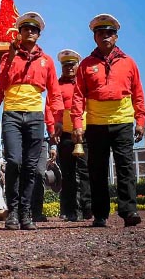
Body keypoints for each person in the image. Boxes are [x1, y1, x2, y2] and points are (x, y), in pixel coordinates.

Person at [71, 14, 145, 228]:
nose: (105, 36)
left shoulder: (129, 62)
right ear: (94, 37)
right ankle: (100, 214)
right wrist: (77, 124)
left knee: (125, 168)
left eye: (110, 33)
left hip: (123, 121)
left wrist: (140, 119)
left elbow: (138, 93)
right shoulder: (85, 65)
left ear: (116, 37)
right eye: (101, 33)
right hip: (96, 124)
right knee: (97, 170)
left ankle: (129, 210)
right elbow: (78, 96)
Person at [0, 11, 64, 230]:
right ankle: (12, 211)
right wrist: (11, 56)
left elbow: (54, 93)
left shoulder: (47, 61)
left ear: (39, 34)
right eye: (26, 29)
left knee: (33, 167)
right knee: (14, 161)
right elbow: (2, 82)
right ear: (20, 32)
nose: (30, 32)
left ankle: (26, 212)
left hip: (35, 117)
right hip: (12, 115)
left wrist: (58, 119)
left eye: (34, 29)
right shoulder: (9, 57)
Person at [48, 49, 92, 222]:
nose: (69, 68)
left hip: (85, 133)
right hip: (65, 134)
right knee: (67, 173)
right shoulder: (56, 86)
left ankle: (87, 207)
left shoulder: (84, 84)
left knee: (85, 171)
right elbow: (49, 109)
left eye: (72, 64)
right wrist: (52, 130)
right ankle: (70, 209)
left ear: (78, 65)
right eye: (65, 65)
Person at [30, 128, 57, 222]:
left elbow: (51, 123)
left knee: (40, 174)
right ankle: (23, 211)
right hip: (26, 140)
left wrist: (53, 147)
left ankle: (37, 212)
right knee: (26, 174)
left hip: (43, 141)